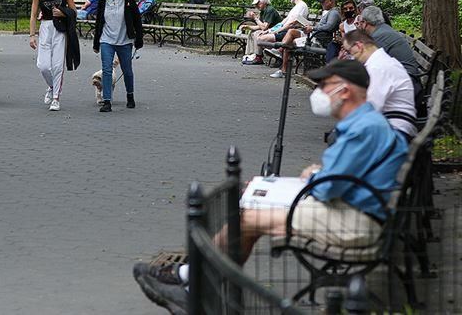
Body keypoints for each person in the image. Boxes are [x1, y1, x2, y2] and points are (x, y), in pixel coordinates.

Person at [133, 60, 407, 313]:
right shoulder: (366, 124)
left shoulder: (363, 129)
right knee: (251, 208)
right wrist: (319, 175)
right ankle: (195, 283)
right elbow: (342, 177)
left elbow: (327, 189)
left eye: (324, 85)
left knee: (248, 219)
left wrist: (316, 177)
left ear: (344, 91)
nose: (319, 92)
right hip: (351, 210)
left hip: (354, 222)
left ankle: (191, 283)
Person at [344, 30, 417, 140]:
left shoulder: (377, 67)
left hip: (396, 130)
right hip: (396, 125)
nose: (351, 56)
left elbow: (372, 106)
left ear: (359, 46)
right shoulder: (382, 61)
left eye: (349, 51)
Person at [29, 0, 78, 112]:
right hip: (45, 28)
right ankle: (51, 86)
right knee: (43, 66)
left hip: (60, 31)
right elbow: (33, 15)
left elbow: (74, 12)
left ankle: (56, 97)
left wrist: (63, 13)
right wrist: (32, 35)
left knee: (57, 66)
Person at [92, 0, 143, 112]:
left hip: (124, 40)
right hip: (106, 40)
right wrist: (96, 43)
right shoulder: (103, 0)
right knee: (107, 70)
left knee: (127, 71)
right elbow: (99, 22)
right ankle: (107, 101)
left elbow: (137, 20)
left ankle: (130, 95)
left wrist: (139, 39)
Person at [269, 0, 341, 78]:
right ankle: (281, 52)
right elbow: (323, 26)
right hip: (313, 36)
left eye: (323, 1)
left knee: (289, 43)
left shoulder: (334, 13)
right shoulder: (329, 12)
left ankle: (283, 66)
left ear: (331, 1)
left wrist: (312, 28)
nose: (321, 3)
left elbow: (329, 27)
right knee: (291, 32)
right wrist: (308, 26)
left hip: (318, 40)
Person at [251, 0, 309, 68]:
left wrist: (277, 31)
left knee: (261, 39)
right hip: (285, 31)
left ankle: (279, 53)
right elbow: (283, 22)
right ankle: (278, 54)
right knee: (260, 37)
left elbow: (292, 24)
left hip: (291, 32)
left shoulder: (302, 6)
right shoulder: (296, 7)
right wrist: (269, 31)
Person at [359, 6, 419, 78]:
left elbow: (367, 61)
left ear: (365, 23)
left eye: (361, 22)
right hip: (405, 73)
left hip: (406, 78)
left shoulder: (379, 36)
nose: (359, 25)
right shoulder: (384, 28)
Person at [241, 0, 282, 65]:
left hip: (276, 32)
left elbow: (264, 27)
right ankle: (251, 54)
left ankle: (258, 57)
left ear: (264, 2)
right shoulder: (263, 11)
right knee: (252, 32)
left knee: (257, 34)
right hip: (268, 31)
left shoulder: (270, 10)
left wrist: (255, 18)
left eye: (258, 4)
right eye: (255, 4)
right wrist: (247, 27)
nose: (256, 6)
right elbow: (260, 26)